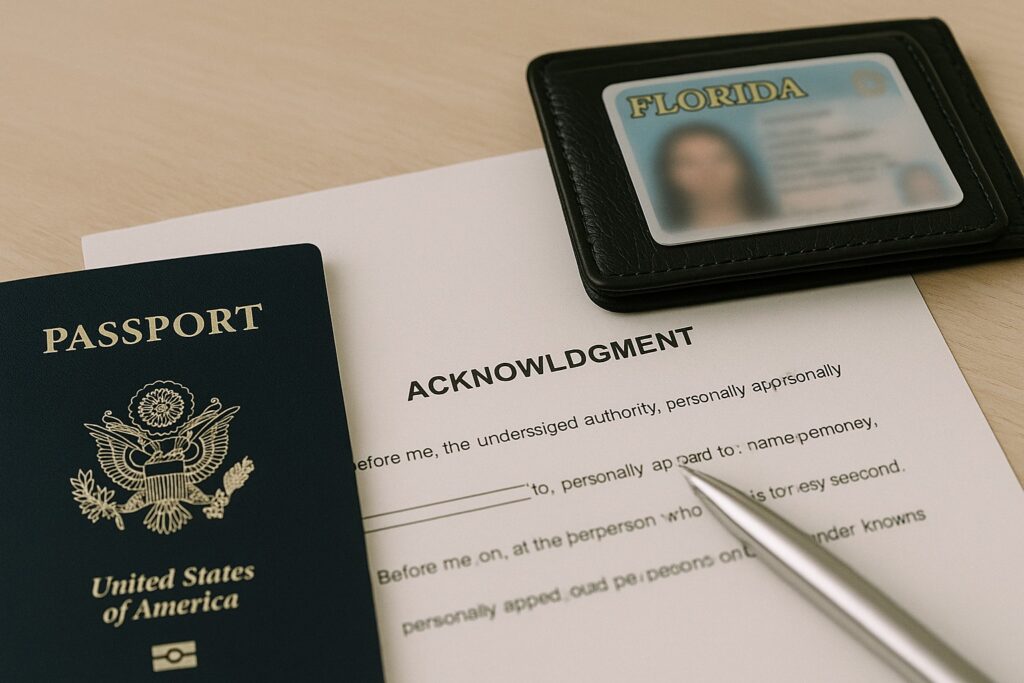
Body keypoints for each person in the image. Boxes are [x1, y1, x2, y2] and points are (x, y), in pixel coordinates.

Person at [658, 123, 773, 229]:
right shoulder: (667, 229)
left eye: (720, 159)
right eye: (688, 163)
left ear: (743, 166)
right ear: (668, 174)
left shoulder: (777, 219)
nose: (708, 172)